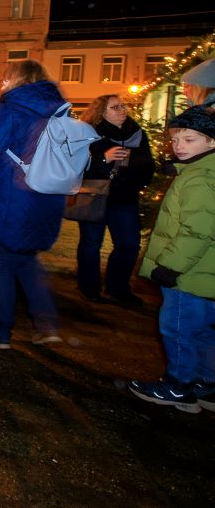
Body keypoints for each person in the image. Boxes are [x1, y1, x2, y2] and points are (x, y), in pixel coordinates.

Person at [0, 59, 67, 350]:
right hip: (44, 198)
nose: (2, 85)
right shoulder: (59, 110)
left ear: (18, 80)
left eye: (6, 79)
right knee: (28, 261)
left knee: (0, 266)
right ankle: (46, 323)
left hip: (8, 197)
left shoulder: (11, 107)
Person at [129, 103, 215, 413]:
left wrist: (170, 267)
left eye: (189, 140)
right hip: (205, 275)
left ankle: (178, 385)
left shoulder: (201, 179)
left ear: (211, 142)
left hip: (187, 275)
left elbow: (197, 230)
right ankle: (205, 382)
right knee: (204, 329)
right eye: (176, 140)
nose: (179, 146)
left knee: (177, 328)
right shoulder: (202, 171)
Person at [76, 94, 155, 305]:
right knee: (91, 244)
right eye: (115, 107)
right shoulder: (87, 133)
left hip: (124, 198)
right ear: (102, 111)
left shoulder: (136, 133)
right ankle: (89, 288)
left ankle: (118, 288)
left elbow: (148, 164)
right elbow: (76, 165)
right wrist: (104, 158)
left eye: (123, 106)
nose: (122, 110)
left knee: (129, 244)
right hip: (94, 196)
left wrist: (134, 178)